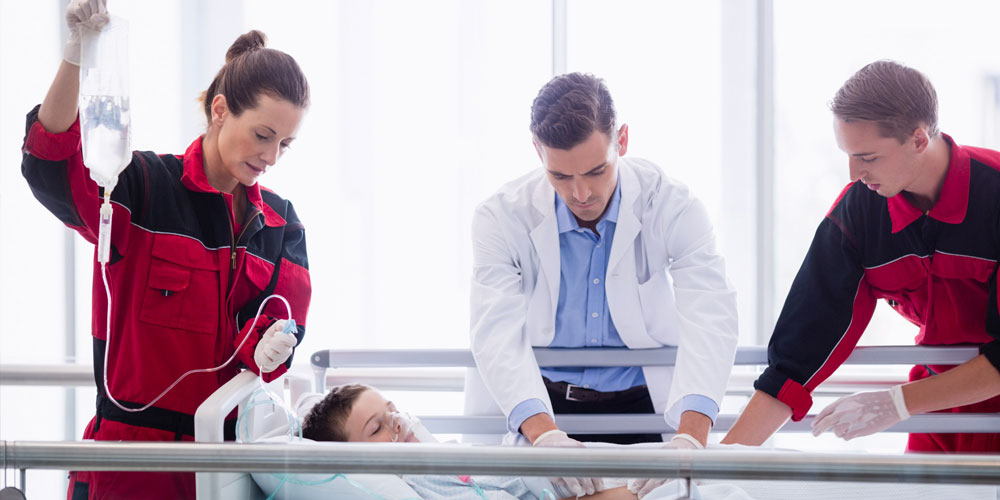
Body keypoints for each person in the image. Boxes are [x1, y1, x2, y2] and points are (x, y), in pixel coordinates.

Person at [21, 0, 312, 497]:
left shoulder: (280, 225)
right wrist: (77, 55)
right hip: (131, 463)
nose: (270, 157)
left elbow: (283, 329)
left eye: (285, 144)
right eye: (263, 135)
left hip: (227, 467)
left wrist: (273, 347)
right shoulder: (143, 188)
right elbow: (51, 165)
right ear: (220, 111)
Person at [466, 72, 739, 496]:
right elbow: (495, 331)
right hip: (545, 407)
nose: (581, 193)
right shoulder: (500, 217)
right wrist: (543, 436)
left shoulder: (671, 204)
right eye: (560, 176)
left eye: (596, 171)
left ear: (622, 140)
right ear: (537, 151)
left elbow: (711, 314)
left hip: (644, 407)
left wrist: (690, 439)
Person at [722, 60, 1000, 452]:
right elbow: (799, 355)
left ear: (919, 139)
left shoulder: (995, 196)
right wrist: (709, 466)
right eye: (848, 155)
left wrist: (897, 402)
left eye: (868, 157)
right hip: (936, 412)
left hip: (950, 397)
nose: (854, 174)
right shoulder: (859, 212)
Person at [301, 384, 640, 500]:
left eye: (394, 411)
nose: (399, 424)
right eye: (377, 429)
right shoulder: (413, 487)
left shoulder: (445, 458)